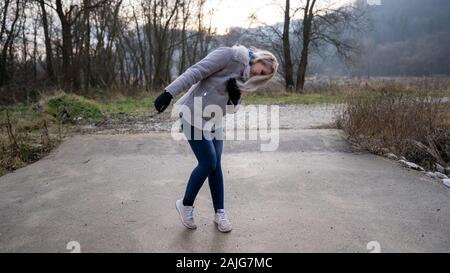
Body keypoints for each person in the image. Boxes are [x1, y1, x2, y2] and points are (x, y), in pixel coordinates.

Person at [154, 44, 279, 232]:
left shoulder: (246, 78)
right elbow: (196, 71)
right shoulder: (230, 55)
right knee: (208, 162)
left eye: (261, 77)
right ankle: (185, 205)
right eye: (260, 71)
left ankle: (219, 213)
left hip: (214, 120)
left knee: (216, 165)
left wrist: (234, 99)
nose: (256, 77)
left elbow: (230, 109)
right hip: (192, 114)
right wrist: (168, 92)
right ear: (259, 59)